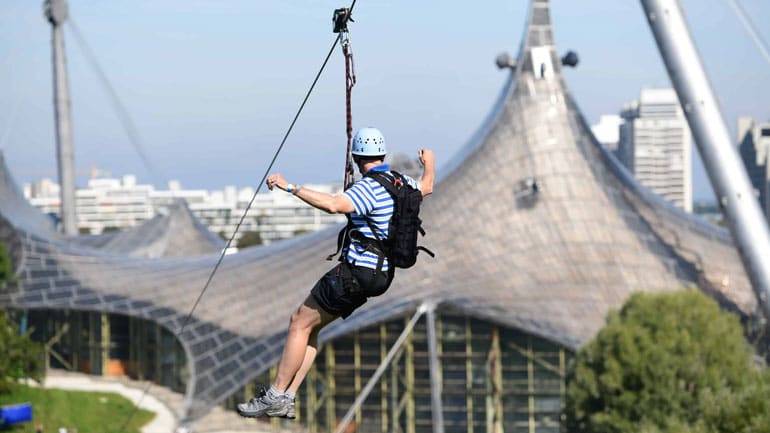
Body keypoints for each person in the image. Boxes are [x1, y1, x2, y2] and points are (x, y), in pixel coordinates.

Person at [237, 127, 435, 419]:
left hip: (355, 272)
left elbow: (333, 205)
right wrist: (428, 162)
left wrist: (289, 187)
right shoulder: (402, 182)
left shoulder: (368, 188)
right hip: (380, 276)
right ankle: (288, 397)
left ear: (356, 158)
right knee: (312, 327)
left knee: (298, 323)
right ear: (382, 155)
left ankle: (276, 394)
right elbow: (427, 186)